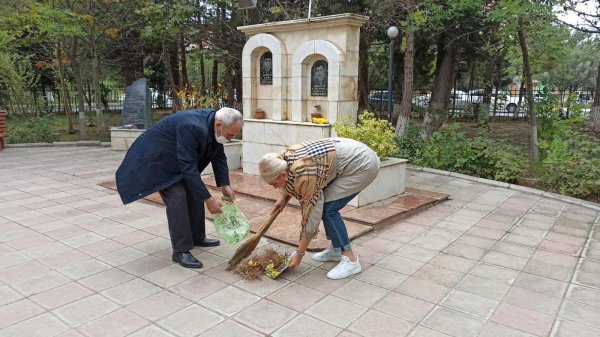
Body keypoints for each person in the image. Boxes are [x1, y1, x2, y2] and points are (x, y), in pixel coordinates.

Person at [116, 107, 243, 268]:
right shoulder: (192, 126)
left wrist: (225, 184)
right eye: (230, 135)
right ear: (219, 125)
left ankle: (197, 236)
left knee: (195, 190)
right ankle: (181, 251)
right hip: (157, 160)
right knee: (178, 196)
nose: (230, 139)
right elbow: (188, 166)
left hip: (176, 158)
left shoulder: (213, 125)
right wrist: (208, 198)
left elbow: (217, 154)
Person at [258, 138, 380, 279]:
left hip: (362, 165)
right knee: (326, 207)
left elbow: (311, 217)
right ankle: (336, 249)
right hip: (351, 156)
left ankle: (351, 260)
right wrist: (283, 197)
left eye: (273, 183)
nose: (274, 187)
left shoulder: (305, 174)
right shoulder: (283, 160)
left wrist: (299, 254)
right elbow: (290, 180)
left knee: (328, 210)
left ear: (283, 175)